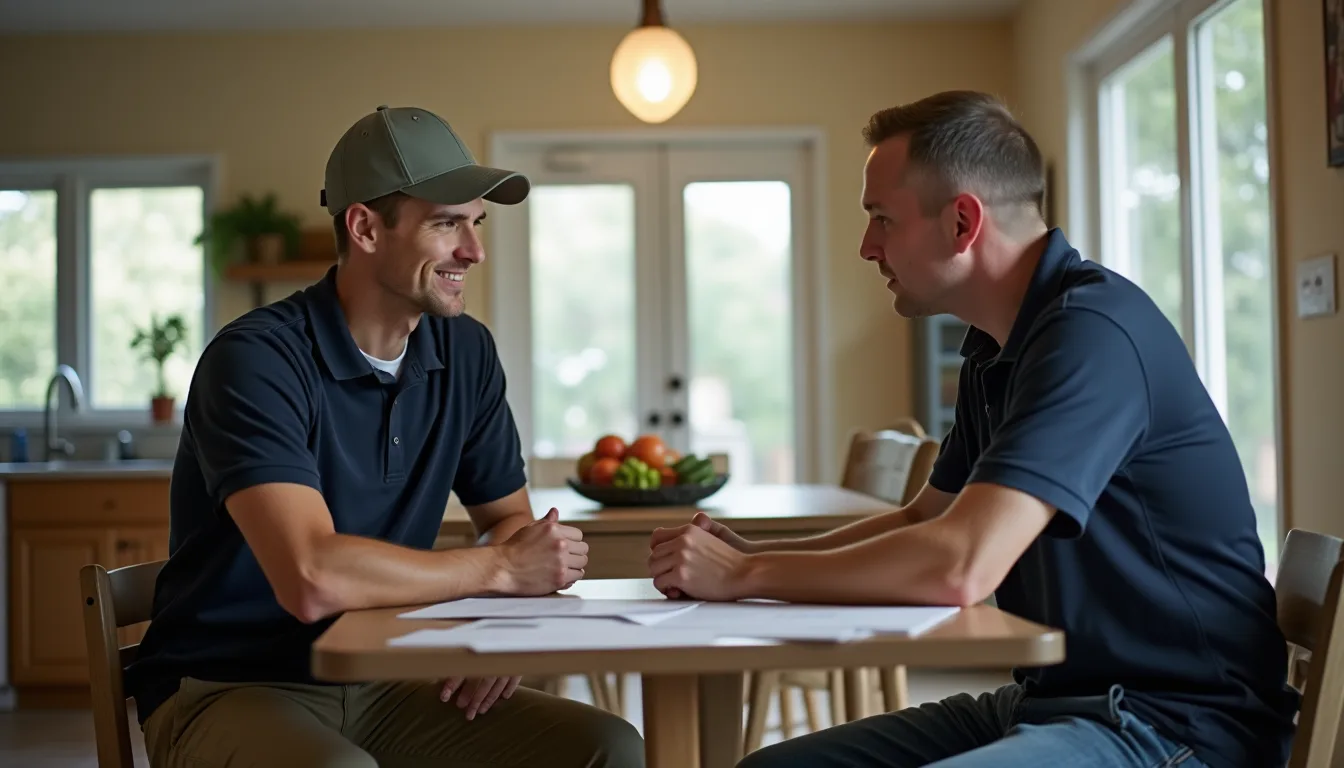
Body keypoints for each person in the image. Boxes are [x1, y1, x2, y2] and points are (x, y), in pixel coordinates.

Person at [646, 90, 1299, 768]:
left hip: (1174, 727)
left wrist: (748, 572)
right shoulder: (997, 345)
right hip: (1058, 702)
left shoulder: (1090, 333)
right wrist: (751, 558)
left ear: (962, 222)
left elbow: (961, 565)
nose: (867, 246)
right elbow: (923, 521)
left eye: (880, 219)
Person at [125, 104, 644, 768]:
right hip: (229, 686)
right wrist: (501, 572)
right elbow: (310, 575)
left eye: (476, 224)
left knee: (606, 747)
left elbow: (509, 518)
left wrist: (497, 630)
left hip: (385, 674)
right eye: (446, 223)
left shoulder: (466, 353)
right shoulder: (256, 360)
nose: (474, 251)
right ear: (366, 227)